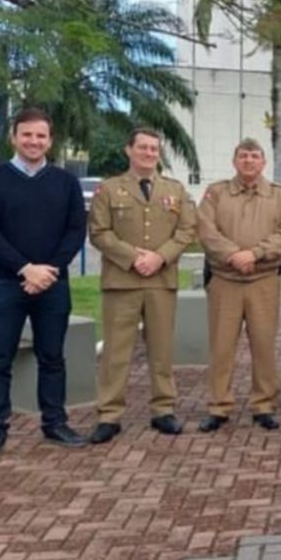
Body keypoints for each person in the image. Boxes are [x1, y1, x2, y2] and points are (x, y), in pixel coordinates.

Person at [0, 107, 88, 460]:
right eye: (27, 134)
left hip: (53, 283)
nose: (34, 141)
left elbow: (75, 230)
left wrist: (47, 270)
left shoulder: (65, 182)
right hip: (6, 284)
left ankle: (54, 423)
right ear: (14, 137)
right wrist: (25, 268)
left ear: (50, 140)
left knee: (52, 357)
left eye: (41, 135)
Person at [86, 128, 197, 442]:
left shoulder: (174, 189)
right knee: (115, 352)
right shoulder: (108, 189)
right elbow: (99, 232)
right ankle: (109, 415)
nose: (149, 153)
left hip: (161, 281)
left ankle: (163, 409)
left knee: (162, 350)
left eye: (154, 149)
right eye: (143, 148)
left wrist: (160, 258)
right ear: (128, 150)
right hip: (122, 281)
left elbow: (187, 230)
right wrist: (134, 257)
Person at [195, 138, 281, 432]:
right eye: (243, 156)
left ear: (263, 162)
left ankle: (263, 405)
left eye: (255, 156)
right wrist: (233, 255)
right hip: (224, 280)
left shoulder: (279, 196)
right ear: (234, 161)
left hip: (263, 280)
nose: (249, 161)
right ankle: (218, 406)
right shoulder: (216, 193)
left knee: (264, 345)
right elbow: (205, 228)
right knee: (221, 347)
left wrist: (254, 254)